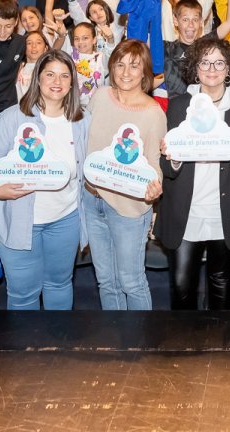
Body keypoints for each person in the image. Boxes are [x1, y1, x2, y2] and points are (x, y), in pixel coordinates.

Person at [0, 50, 90, 310]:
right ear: (37, 78)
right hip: (19, 220)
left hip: (65, 219)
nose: (56, 81)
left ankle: (57, 346)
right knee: (24, 293)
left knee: (59, 284)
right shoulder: (12, 117)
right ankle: (27, 350)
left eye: (64, 75)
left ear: (72, 83)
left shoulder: (82, 120)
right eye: (50, 74)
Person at [157, 38, 230, 310]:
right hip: (185, 209)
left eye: (219, 62)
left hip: (223, 209)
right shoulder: (178, 106)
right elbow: (166, 167)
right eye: (204, 62)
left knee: (221, 281)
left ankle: (220, 347)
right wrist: (172, 159)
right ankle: (184, 348)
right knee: (181, 286)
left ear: (229, 69)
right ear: (195, 67)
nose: (211, 69)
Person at [83, 40, 165, 310]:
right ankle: (116, 341)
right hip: (92, 201)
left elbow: (154, 162)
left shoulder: (154, 113)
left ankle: (142, 346)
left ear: (145, 72)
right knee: (106, 281)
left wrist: (155, 188)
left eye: (134, 65)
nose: (126, 72)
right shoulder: (100, 96)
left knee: (131, 281)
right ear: (111, 68)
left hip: (129, 208)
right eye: (120, 64)